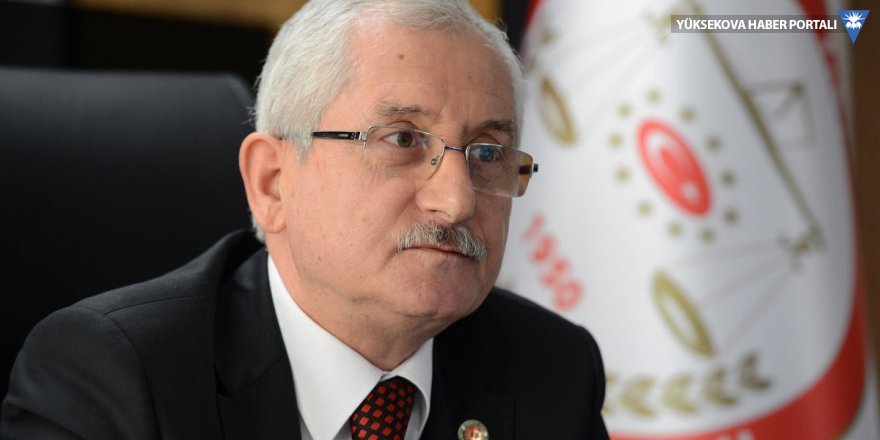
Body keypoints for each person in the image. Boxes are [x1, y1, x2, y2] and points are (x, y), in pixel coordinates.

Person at [1, 0, 608, 438]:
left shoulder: (552, 369)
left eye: (487, 153)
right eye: (402, 140)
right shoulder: (112, 378)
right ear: (272, 181)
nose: (457, 201)